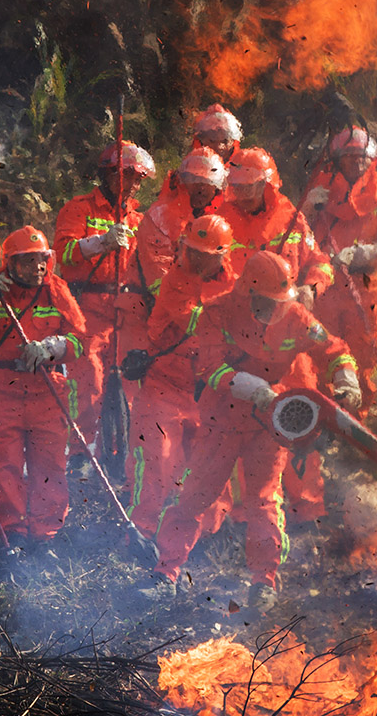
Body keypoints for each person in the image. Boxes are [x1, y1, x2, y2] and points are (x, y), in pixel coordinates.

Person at [144, 251, 360, 610]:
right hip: (223, 418)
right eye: (268, 301)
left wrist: (346, 377)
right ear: (249, 292)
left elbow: (335, 348)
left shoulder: (296, 315)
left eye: (280, 301)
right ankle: (166, 571)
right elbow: (209, 370)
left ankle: (264, 582)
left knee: (263, 499)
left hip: (268, 423)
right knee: (197, 493)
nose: (276, 308)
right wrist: (252, 388)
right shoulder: (217, 312)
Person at [126, 214, 237, 541]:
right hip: (166, 383)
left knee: (212, 461)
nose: (197, 259)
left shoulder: (235, 282)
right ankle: (141, 527)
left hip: (209, 387)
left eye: (206, 255)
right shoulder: (175, 277)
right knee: (156, 457)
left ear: (221, 255)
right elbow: (194, 321)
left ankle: (209, 531)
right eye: (194, 251)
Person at [54, 141, 156, 439]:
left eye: (139, 179)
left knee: (129, 390)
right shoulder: (79, 208)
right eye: (128, 175)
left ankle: (118, 464)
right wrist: (100, 242)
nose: (134, 185)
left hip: (127, 315)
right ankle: (79, 456)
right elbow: (63, 253)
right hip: (87, 311)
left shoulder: (141, 220)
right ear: (109, 173)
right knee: (89, 385)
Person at [0, 227, 88, 550]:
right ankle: (13, 533)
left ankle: (46, 534)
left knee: (49, 465)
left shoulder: (56, 290)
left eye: (42, 260)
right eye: (27, 261)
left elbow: (81, 339)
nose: (37, 268)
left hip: (46, 392)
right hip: (2, 392)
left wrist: (53, 347)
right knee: (4, 465)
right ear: (10, 264)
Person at [304, 127, 377, 409]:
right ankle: (325, 422)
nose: (355, 164)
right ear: (336, 160)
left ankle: (357, 421)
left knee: (363, 361)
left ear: (371, 160)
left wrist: (358, 254)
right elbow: (296, 239)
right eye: (348, 157)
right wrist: (310, 210)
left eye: (361, 157)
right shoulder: (320, 192)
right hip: (326, 291)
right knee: (321, 354)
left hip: (367, 294)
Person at [219, 146, 334, 308]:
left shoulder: (292, 219)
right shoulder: (220, 221)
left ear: (264, 184)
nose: (243, 194)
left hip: (284, 313)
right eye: (237, 186)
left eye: (249, 186)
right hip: (234, 314)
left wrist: (312, 289)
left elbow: (321, 263)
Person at [136, 147, 227, 290]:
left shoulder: (222, 219)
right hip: (154, 303)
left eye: (208, 181)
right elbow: (157, 277)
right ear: (182, 181)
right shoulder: (160, 217)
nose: (200, 187)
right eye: (194, 179)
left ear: (217, 186)